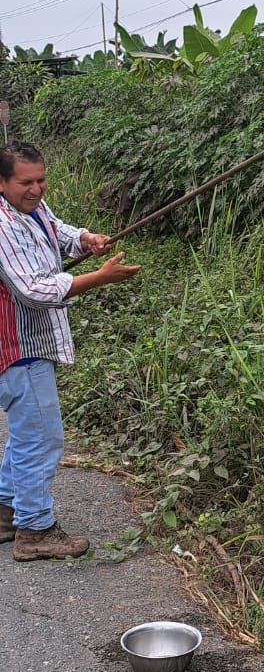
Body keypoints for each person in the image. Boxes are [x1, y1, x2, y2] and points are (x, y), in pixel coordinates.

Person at [0, 139, 140, 561]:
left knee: (27, 433)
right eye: (26, 182)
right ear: (2, 182)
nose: (36, 189)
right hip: (17, 346)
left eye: (41, 180)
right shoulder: (2, 225)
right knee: (42, 438)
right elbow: (33, 290)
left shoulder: (28, 208)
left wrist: (85, 240)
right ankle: (35, 530)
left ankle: (6, 513)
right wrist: (98, 278)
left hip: (30, 342)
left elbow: (55, 229)